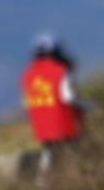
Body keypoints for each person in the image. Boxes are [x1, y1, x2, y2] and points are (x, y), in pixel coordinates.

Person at [21, 33, 85, 172]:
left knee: (49, 150)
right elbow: (68, 97)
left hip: (41, 122)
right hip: (62, 121)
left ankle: (43, 182)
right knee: (73, 150)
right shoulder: (60, 72)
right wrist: (85, 106)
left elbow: (26, 101)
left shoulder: (29, 75)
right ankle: (77, 176)